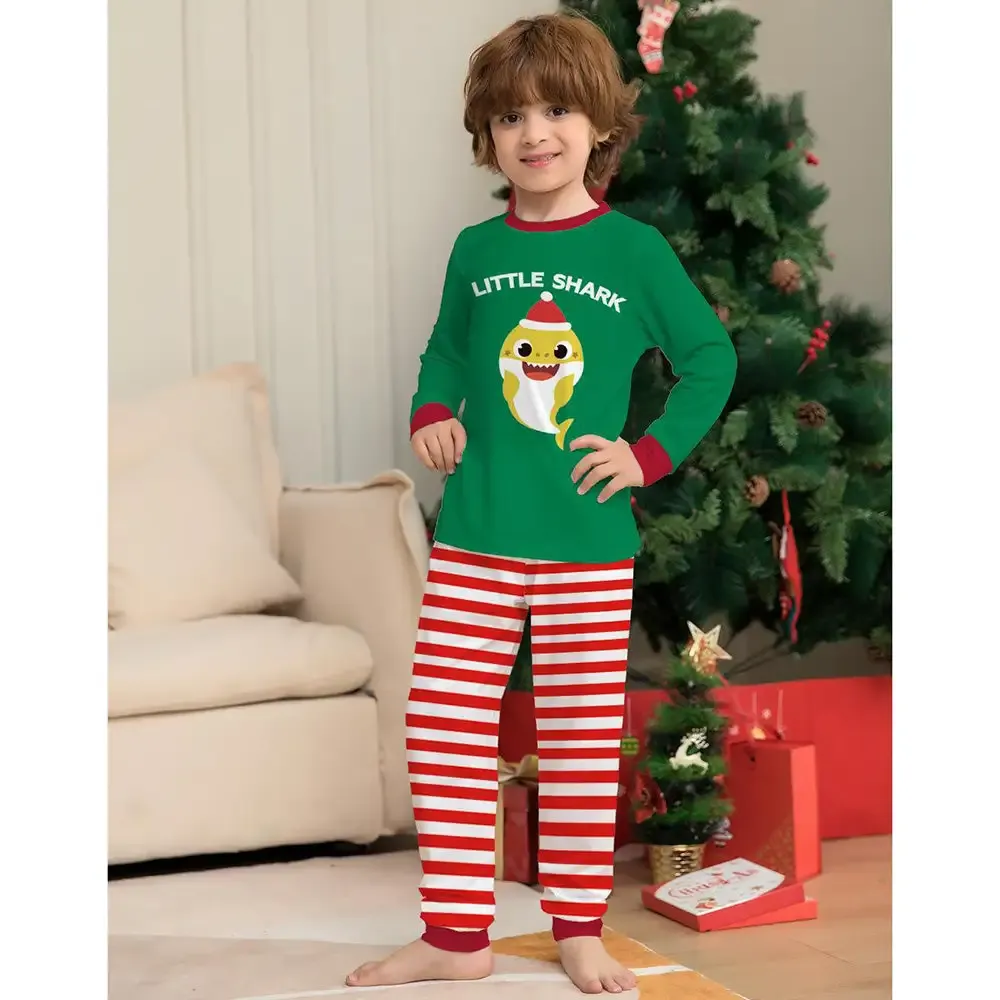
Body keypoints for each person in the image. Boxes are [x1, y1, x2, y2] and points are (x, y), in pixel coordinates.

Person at [346, 11, 736, 995]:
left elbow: (708, 358)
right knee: (442, 726)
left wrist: (646, 456)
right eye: (510, 117)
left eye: (556, 110)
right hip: (477, 532)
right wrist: (431, 409)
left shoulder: (634, 252)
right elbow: (446, 351)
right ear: (487, 137)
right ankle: (455, 934)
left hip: (584, 545)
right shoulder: (476, 250)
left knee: (575, 740)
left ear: (597, 123)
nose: (534, 133)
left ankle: (577, 928)